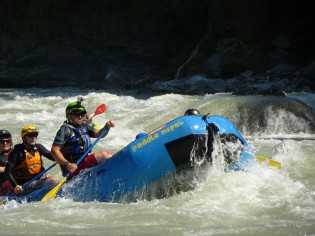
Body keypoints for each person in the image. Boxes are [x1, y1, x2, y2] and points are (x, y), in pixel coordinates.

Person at [51, 100, 115, 179]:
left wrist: (107, 126)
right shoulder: (65, 129)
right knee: (104, 155)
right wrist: (67, 164)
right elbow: (54, 150)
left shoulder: (83, 127)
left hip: (83, 163)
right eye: (76, 114)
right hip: (72, 168)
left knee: (106, 155)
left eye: (82, 114)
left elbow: (99, 134)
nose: (80, 116)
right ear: (69, 115)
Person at [5, 125, 58, 196]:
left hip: (37, 181)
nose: (33, 138)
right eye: (30, 136)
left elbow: (53, 157)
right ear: (24, 138)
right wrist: (15, 186)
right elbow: (7, 170)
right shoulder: (17, 152)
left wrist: (64, 160)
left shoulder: (39, 147)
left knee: (53, 181)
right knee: (52, 180)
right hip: (24, 186)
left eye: (35, 135)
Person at [0, 130, 14, 195]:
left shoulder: (17, 151)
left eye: (7, 141)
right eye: (2, 142)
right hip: (5, 187)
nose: (5, 143)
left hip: (22, 181)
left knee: (49, 180)